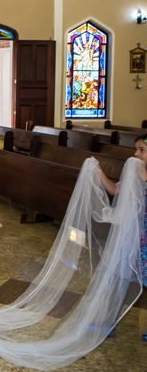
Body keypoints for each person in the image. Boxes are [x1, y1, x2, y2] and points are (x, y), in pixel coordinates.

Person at [94, 134, 147, 340]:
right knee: (121, 276)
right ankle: (108, 322)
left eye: (141, 150)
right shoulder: (134, 169)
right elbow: (116, 190)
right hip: (134, 233)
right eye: (137, 149)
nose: (136, 154)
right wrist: (98, 172)